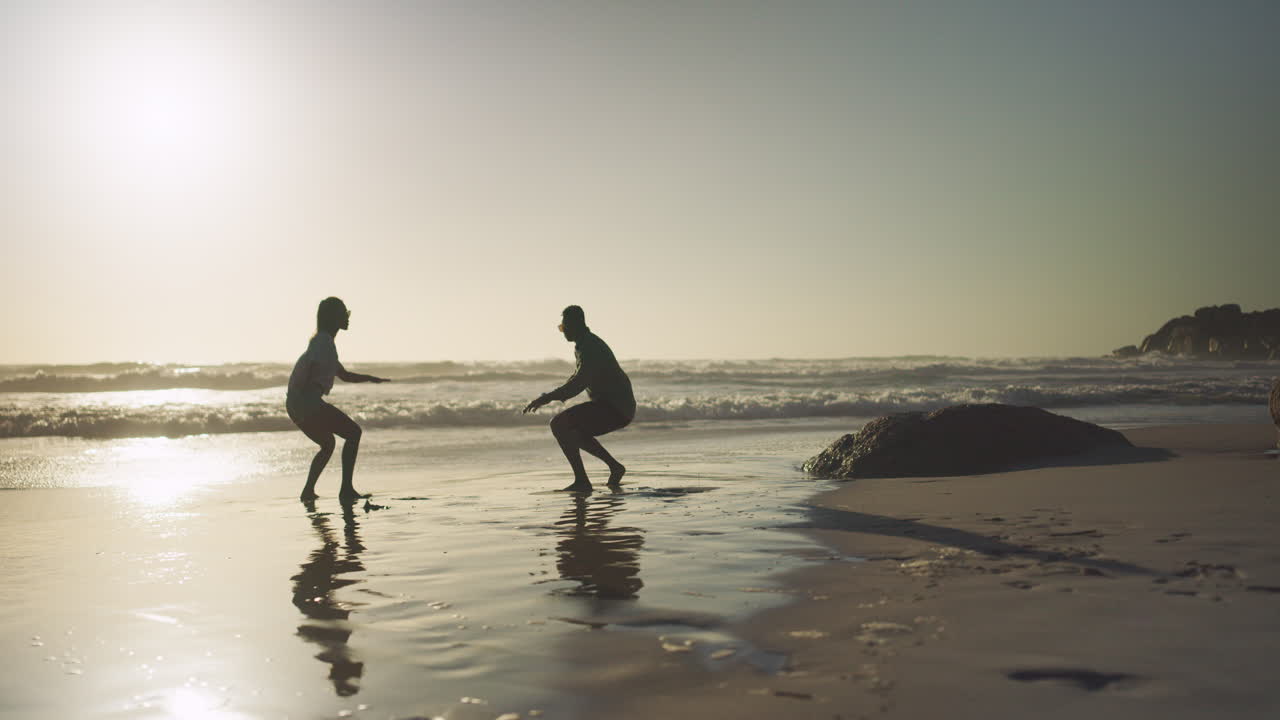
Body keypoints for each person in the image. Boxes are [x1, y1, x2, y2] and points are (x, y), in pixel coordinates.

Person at [287, 297, 389, 503]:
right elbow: (310, 371)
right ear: (333, 318)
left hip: (295, 404)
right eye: (343, 313)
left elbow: (344, 375)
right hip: (306, 402)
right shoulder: (323, 344)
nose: (347, 317)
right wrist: (309, 399)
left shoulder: (323, 342)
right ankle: (346, 490)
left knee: (328, 443)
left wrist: (371, 378)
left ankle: (308, 491)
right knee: (353, 433)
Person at [524, 305, 635, 492]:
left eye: (564, 327)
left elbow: (579, 383)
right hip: (612, 407)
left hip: (615, 408)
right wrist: (550, 396)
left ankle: (582, 480)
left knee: (559, 424)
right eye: (561, 328)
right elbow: (576, 377)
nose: (562, 331)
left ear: (576, 324)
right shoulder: (583, 345)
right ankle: (614, 467)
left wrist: (547, 398)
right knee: (571, 430)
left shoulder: (590, 347)